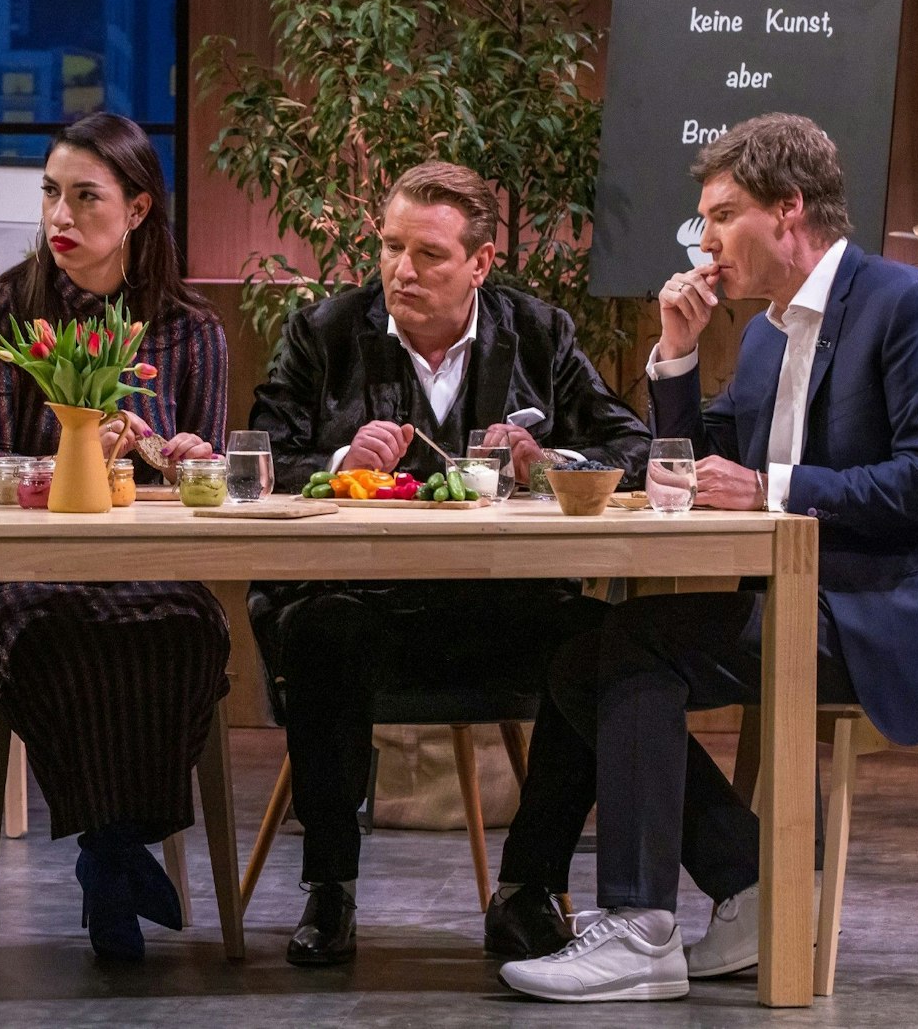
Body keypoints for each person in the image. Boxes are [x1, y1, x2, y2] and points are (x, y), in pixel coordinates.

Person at [500, 113, 918, 1003]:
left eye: (720, 214)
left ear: (789, 212)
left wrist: (774, 487)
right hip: (806, 600)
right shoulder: (764, 335)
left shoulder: (910, 306)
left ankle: (641, 930)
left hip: (894, 612)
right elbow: (690, 460)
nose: (705, 240)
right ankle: (748, 883)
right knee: (582, 654)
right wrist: (673, 353)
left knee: (636, 642)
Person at [249, 160, 650, 967]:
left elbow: (632, 451)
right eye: (392, 247)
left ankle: (527, 889)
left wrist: (549, 458)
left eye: (429, 254)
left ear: (480, 262)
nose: (403, 269)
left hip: (502, 609)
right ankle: (331, 891)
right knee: (320, 628)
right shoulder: (323, 333)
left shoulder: (540, 334)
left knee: (604, 643)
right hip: (364, 606)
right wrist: (336, 459)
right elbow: (256, 460)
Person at [0, 112, 229, 962]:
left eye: (85, 197)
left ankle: (107, 854)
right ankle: (117, 857)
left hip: (153, 571)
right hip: (27, 572)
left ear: (139, 209)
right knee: (58, 638)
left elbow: (204, 501)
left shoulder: (191, 330)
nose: (60, 218)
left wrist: (185, 458)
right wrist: (72, 449)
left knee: (187, 633)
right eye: (50, 194)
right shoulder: (7, 310)